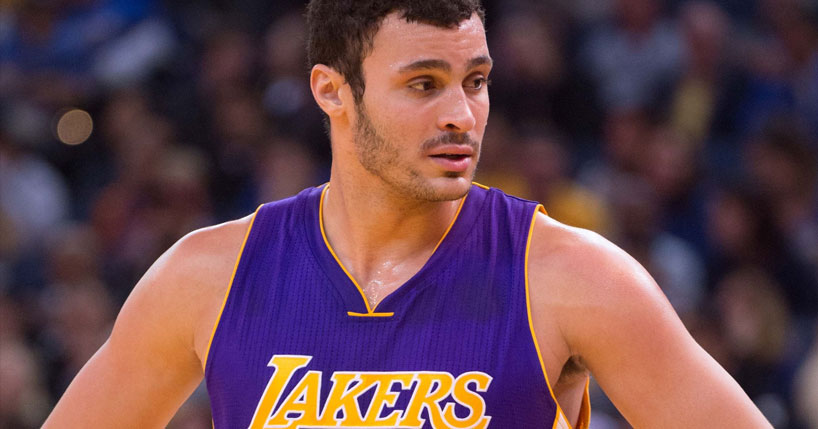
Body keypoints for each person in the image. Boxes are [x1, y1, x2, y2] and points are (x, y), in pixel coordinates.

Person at [44, 1, 772, 427]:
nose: (462, 115)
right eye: (424, 84)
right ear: (332, 91)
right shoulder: (206, 276)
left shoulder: (575, 278)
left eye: (475, 81)